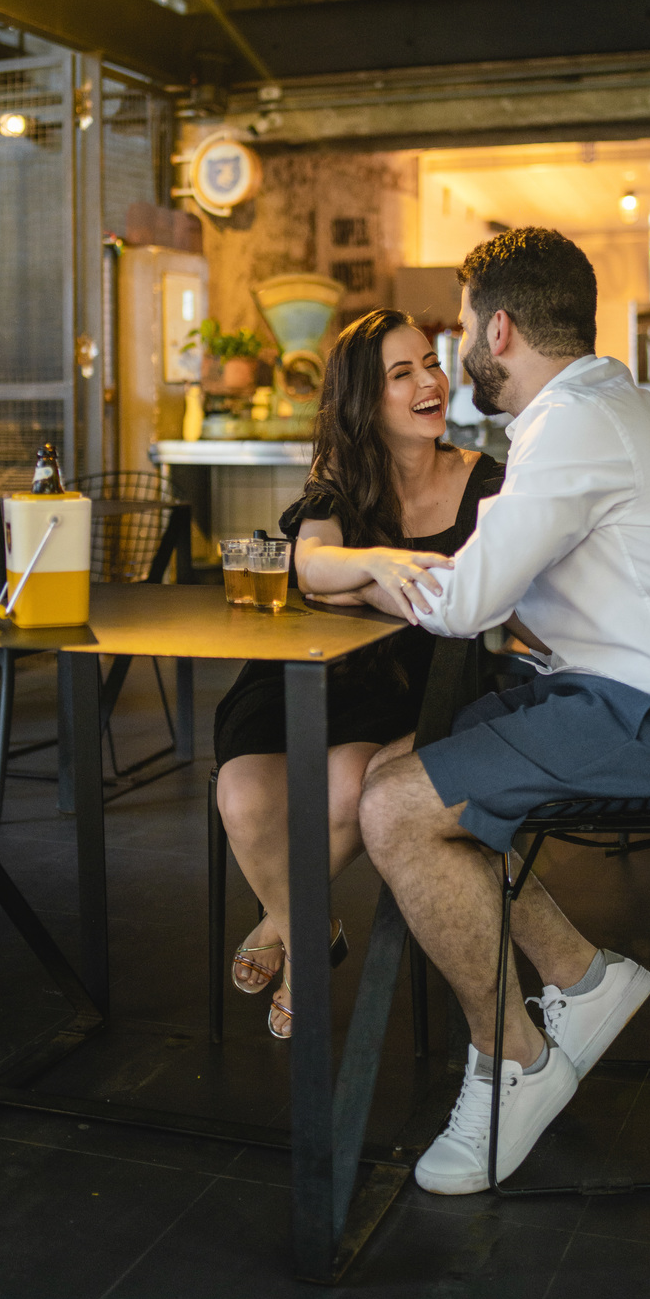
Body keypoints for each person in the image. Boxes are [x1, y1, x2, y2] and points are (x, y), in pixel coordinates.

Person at [356, 227, 650, 1195]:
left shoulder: (573, 426)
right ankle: (586, 979)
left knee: (394, 807)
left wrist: (349, 569)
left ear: (498, 328)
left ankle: (515, 1063)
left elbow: (466, 603)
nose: (459, 345)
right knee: (400, 769)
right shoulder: (594, 406)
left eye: (462, 326)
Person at [214, 308, 504, 1039]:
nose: (429, 382)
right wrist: (376, 564)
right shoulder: (340, 481)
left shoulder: (485, 480)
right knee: (241, 794)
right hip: (313, 673)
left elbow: (466, 593)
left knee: (349, 783)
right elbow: (311, 563)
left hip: (405, 687)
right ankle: (307, 929)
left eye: (430, 364)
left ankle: (287, 931)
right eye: (401, 374)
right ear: (364, 402)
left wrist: (360, 588)